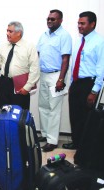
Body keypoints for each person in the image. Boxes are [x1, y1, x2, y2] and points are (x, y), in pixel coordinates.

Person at [62, 11, 104, 150]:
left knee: (86, 118)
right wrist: (72, 83)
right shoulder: (79, 41)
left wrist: (94, 91)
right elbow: (75, 65)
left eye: (82, 23)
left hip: (90, 84)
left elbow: (102, 70)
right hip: (77, 83)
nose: (79, 26)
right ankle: (76, 142)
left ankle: (85, 148)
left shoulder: (101, 43)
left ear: (92, 24)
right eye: (78, 23)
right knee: (75, 116)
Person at [37, 10, 72, 152]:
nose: (50, 21)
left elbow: (65, 59)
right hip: (43, 74)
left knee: (54, 109)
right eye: (48, 19)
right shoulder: (44, 35)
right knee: (43, 106)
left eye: (53, 19)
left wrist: (61, 79)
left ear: (60, 21)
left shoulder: (64, 36)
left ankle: (52, 140)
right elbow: (37, 54)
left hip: (57, 76)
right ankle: (45, 134)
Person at [0, 21, 39, 110]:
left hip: (21, 84)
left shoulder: (29, 46)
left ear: (19, 33)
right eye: (7, 31)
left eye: (10, 31)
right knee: (4, 110)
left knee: (19, 112)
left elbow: (35, 69)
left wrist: (28, 87)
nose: (7, 33)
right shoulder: (3, 46)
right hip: (5, 82)